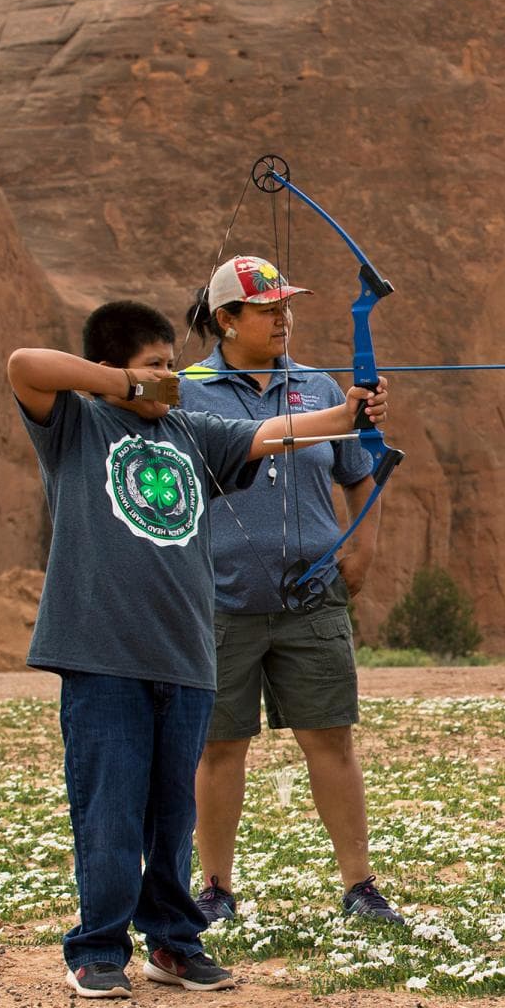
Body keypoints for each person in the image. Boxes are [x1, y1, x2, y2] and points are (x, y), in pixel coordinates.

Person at [7, 299, 388, 999]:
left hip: (184, 652)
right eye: (157, 366)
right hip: (103, 652)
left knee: (171, 815)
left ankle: (173, 944)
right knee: (110, 808)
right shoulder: (78, 425)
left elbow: (277, 432)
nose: (170, 379)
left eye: (172, 365)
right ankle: (97, 949)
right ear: (114, 369)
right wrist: (124, 386)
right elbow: (24, 367)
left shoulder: (189, 428)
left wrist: (350, 414)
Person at [176, 255, 404, 928]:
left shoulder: (318, 385)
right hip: (219, 599)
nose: (284, 319)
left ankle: (360, 887)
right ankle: (214, 888)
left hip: (312, 596)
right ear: (226, 320)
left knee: (331, 740)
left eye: (287, 306)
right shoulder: (186, 391)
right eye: (267, 309)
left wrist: (361, 546)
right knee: (220, 747)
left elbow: (359, 471)